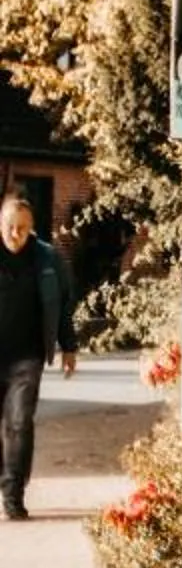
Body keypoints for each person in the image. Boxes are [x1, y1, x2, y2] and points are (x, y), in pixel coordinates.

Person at [0, 195, 78, 521]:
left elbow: (63, 303)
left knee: (19, 423)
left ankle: (13, 495)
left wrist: (69, 346)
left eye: (22, 228)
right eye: (9, 226)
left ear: (31, 227)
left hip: (27, 357)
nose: (15, 234)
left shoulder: (47, 259)